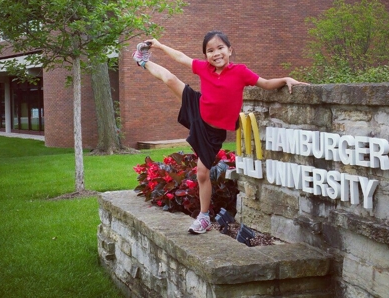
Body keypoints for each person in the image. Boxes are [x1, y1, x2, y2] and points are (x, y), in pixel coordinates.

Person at [132, 31, 308, 234]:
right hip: (198, 108)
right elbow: (181, 57)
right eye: (210, 50)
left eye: (220, 48)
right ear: (206, 55)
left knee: (202, 174)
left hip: (212, 133)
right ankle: (142, 61)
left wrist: (285, 79)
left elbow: (266, 83)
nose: (216, 53)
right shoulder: (204, 68)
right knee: (170, 79)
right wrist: (160, 46)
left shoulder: (240, 72)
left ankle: (204, 217)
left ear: (230, 50)